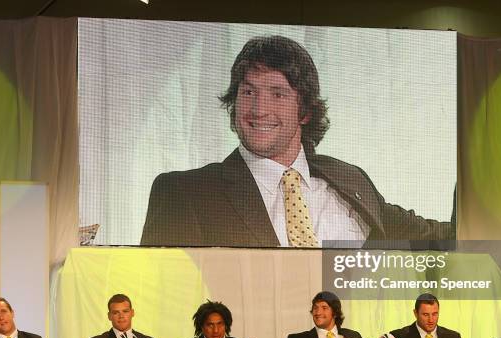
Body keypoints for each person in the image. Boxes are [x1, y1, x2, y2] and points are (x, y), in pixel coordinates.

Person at [141, 35, 453, 248]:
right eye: (248, 92)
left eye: (277, 94)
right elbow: (165, 296)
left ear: (305, 111)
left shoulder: (350, 179)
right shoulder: (185, 193)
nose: (259, 109)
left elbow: (438, 237)